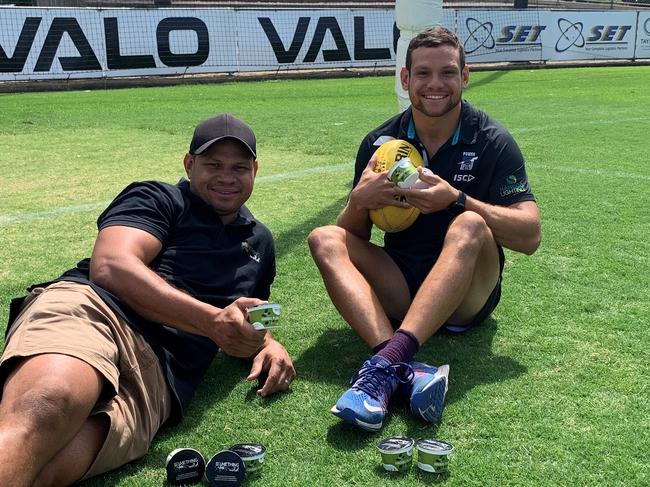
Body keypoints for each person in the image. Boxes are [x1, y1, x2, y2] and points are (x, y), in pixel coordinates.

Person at [0, 114, 295, 485]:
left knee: (47, 468)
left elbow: (247, 315)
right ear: (189, 164)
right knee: (47, 406)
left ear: (255, 169)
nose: (226, 177)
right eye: (213, 165)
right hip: (98, 313)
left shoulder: (260, 243)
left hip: (159, 380)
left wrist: (267, 341)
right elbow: (110, 266)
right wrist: (210, 322)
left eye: (239, 167)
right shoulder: (159, 197)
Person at [308, 26, 541, 432]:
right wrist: (359, 202)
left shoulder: (491, 140)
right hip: (401, 284)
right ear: (405, 79)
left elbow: (530, 236)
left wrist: (457, 199)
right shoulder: (380, 144)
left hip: (466, 297)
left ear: (465, 77)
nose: (436, 84)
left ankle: (384, 363)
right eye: (423, 74)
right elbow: (353, 239)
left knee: (468, 223)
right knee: (323, 237)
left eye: (448, 73)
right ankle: (397, 365)